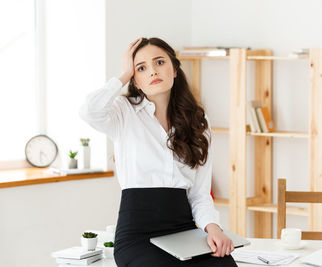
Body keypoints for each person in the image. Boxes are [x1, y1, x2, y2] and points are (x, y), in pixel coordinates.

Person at [79, 37, 237, 267]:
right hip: (137, 237)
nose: (152, 71)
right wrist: (124, 74)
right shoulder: (123, 113)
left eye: (160, 62)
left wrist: (213, 229)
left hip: (183, 232)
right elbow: (88, 111)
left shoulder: (198, 121)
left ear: (174, 69)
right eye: (141, 68)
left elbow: (199, 195)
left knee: (225, 265)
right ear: (136, 80)